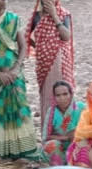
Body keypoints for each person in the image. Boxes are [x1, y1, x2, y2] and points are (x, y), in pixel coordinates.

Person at [0, 0, 39, 159]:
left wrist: (16, 68)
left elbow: (23, 46)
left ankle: (24, 148)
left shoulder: (13, 18)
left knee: (20, 107)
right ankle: (3, 150)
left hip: (14, 73)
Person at [26, 0, 74, 128]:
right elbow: (26, 37)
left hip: (60, 62)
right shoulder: (36, 16)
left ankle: (66, 131)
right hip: (43, 64)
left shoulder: (63, 14)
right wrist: (41, 47)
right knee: (47, 96)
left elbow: (66, 36)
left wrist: (54, 15)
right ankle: (49, 134)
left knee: (63, 93)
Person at [41, 80, 85, 165]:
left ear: (71, 94)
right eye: (58, 95)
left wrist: (75, 134)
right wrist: (66, 138)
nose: (62, 98)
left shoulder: (81, 108)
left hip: (79, 144)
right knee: (52, 145)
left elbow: (91, 127)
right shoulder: (52, 112)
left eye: (65, 94)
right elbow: (46, 137)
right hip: (60, 148)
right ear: (54, 97)